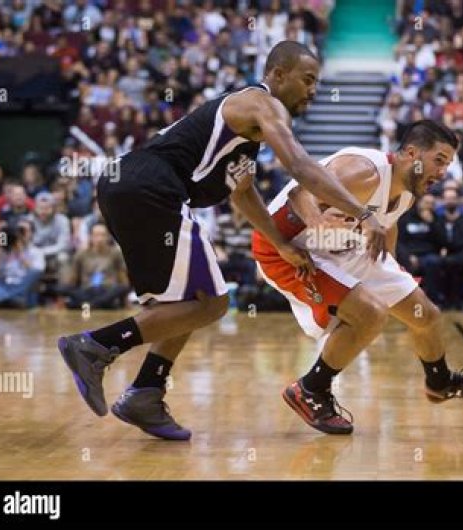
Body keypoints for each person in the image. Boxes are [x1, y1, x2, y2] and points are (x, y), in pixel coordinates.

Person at [57, 41, 387, 441]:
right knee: (211, 302)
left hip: (126, 187)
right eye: (307, 79)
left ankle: (146, 391)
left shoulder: (245, 133)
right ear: (278, 74)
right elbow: (301, 166)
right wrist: (364, 213)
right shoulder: (262, 104)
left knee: (183, 304)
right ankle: (95, 346)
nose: (314, 90)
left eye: (317, 82)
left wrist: (281, 244)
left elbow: (242, 193)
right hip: (153, 186)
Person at [252, 120, 463, 435]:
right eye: (439, 160)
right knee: (370, 314)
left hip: (343, 248)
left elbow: (388, 223)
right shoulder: (363, 172)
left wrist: (392, 274)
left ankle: (440, 382)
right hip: (286, 249)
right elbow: (300, 194)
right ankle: (310, 389)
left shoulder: (408, 192)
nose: (442, 172)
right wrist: (317, 221)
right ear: (411, 154)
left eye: (447, 165)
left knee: (425, 315)